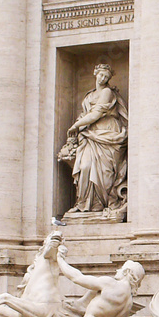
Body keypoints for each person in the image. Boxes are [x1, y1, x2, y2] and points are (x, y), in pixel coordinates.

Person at [63, 63, 129, 213]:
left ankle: (101, 204)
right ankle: (83, 203)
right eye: (101, 75)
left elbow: (96, 114)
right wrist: (80, 125)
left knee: (105, 173)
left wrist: (76, 126)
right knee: (85, 167)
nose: (103, 78)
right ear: (95, 73)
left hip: (107, 132)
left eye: (106, 77)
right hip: (90, 134)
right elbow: (87, 114)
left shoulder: (107, 92)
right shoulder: (89, 95)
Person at [55, 254, 146, 317]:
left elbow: (77, 277)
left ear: (127, 272)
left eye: (121, 269)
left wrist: (60, 259)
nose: (117, 270)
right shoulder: (128, 303)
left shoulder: (111, 284)